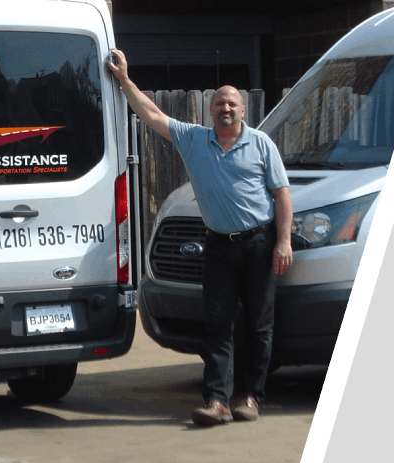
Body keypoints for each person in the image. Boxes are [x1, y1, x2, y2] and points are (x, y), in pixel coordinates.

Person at [107, 49, 293, 427]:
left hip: (259, 244)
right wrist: (125, 80)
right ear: (210, 111)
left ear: (243, 110)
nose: (226, 108)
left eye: (232, 103)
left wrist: (283, 241)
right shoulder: (193, 139)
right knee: (217, 325)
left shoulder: (261, 145)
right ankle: (217, 401)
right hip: (219, 247)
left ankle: (250, 396)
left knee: (258, 324)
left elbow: (282, 194)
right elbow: (152, 114)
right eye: (220, 103)